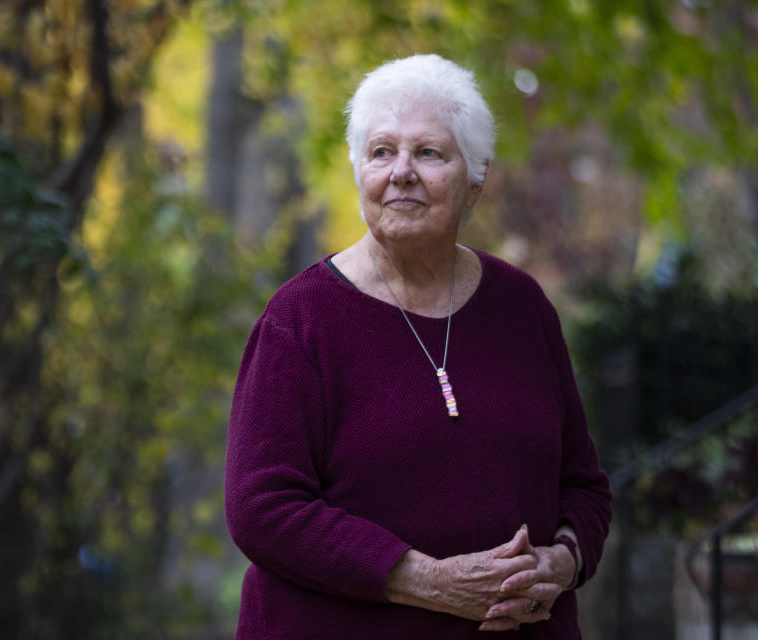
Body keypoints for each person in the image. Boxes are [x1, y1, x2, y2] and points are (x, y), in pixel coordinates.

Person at [224, 54, 612, 638]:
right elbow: (262, 508)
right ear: (361, 174)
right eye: (382, 152)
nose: (401, 171)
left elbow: (583, 485)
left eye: (428, 153)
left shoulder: (523, 307)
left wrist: (559, 563)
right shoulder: (299, 321)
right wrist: (429, 581)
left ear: (474, 182)